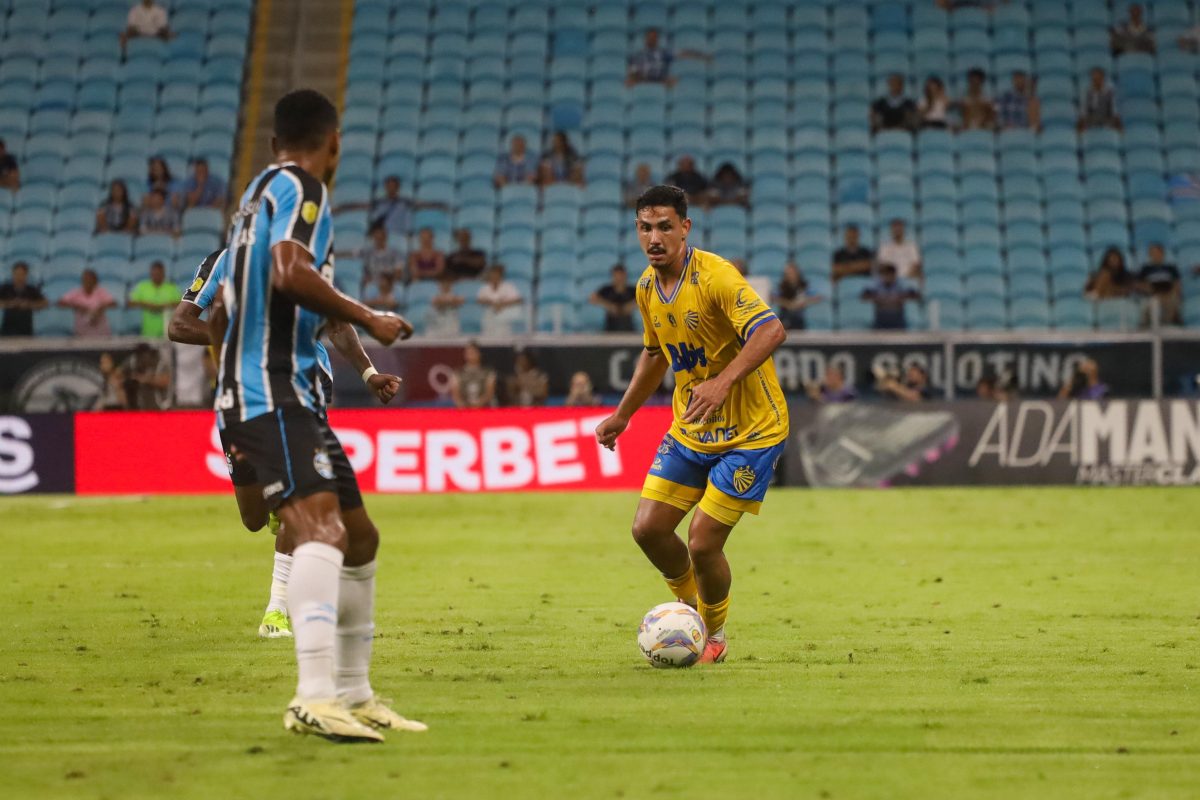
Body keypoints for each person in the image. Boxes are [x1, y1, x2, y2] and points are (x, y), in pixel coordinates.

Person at [210, 89, 420, 741]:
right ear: (334, 143)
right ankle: (314, 695)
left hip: (286, 389)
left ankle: (355, 694)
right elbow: (288, 272)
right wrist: (370, 318)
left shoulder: (255, 197)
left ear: (276, 142)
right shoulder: (304, 191)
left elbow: (221, 309)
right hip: (271, 391)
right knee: (319, 531)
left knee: (359, 537)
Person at [168, 246, 407, 643]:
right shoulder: (221, 261)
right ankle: (278, 500)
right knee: (253, 518)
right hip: (241, 395)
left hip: (304, 387)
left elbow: (338, 325)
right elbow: (179, 325)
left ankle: (276, 609)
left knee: (303, 495)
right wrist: (245, 340)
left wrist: (368, 373)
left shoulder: (302, 261)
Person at [594, 184, 789, 666]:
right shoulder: (645, 288)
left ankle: (715, 634)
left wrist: (722, 382)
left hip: (751, 432)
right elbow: (655, 353)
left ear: (686, 228)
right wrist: (623, 414)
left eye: (664, 226)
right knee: (648, 530)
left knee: (702, 542)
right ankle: (690, 611)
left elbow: (772, 329)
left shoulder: (717, 276)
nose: (654, 237)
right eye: (645, 227)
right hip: (692, 428)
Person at [626, 27, 710, 87]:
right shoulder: (638, 55)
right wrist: (635, 79)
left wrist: (702, 57)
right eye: (650, 37)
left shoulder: (663, 52)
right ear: (645, 39)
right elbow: (632, 72)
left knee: (674, 81)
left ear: (657, 39)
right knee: (629, 82)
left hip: (661, 81)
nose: (652, 39)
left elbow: (683, 54)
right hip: (643, 81)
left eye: (654, 37)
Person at [128, 260, 181, 338]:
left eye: (159, 274)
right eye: (154, 274)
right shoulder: (142, 286)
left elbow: (181, 304)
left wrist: (166, 306)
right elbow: (130, 303)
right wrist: (146, 304)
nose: (156, 276)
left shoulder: (172, 288)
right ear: (150, 274)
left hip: (167, 331)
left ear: (163, 274)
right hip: (147, 332)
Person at [58, 269, 117, 337]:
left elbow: (114, 303)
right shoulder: (76, 292)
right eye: (85, 279)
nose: (87, 281)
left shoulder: (101, 291)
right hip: (81, 327)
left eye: (90, 279)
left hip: (99, 326)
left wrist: (101, 307)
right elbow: (60, 303)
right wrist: (77, 306)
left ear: (95, 281)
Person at [861, 263, 921, 330]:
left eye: (890, 274)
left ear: (894, 275)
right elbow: (864, 296)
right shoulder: (876, 282)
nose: (888, 277)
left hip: (897, 317)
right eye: (886, 274)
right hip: (881, 317)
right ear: (882, 275)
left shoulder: (901, 282)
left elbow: (915, 295)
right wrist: (880, 298)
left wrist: (899, 297)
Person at [1136, 243, 1183, 326]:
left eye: (1157, 253)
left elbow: (1177, 285)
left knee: (1172, 300)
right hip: (1152, 294)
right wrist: (1152, 290)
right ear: (1150, 255)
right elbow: (1140, 285)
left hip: (1168, 294)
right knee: (1152, 302)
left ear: (1162, 253)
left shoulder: (1171, 268)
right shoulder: (1145, 269)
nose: (1155, 255)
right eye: (1153, 253)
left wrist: (1170, 293)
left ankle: (1168, 324)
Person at [0, 261, 48, 336]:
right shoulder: (5, 288)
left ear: (26, 275)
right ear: (12, 274)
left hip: (26, 329)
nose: (19, 277)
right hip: (7, 329)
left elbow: (45, 303)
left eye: (21, 274)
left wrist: (28, 304)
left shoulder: (32, 289)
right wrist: (9, 304)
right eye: (16, 274)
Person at [354, 222, 404, 292]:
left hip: (390, 285)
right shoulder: (367, 253)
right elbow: (352, 256)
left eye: (381, 237)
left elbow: (398, 273)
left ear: (385, 236)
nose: (379, 240)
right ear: (373, 237)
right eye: (376, 238)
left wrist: (387, 283)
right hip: (373, 285)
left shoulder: (395, 253)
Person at [476, 263, 524, 336]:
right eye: (492, 274)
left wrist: (503, 304)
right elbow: (479, 300)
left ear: (501, 275)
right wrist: (491, 303)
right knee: (488, 336)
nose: (494, 276)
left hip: (504, 317)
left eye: (496, 274)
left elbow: (519, 300)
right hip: (489, 317)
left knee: (504, 337)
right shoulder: (485, 288)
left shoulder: (508, 286)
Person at [120, 343, 172, 409]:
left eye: (144, 355)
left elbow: (165, 381)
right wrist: (129, 380)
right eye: (140, 356)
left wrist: (146, 380)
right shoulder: (133, 362)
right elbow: (118, 375)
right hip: (140, 408)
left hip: (159, 408)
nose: (142, 359)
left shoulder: (160, 364)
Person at [774, 263, 823, 330]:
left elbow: (818, 297)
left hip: (799, 318)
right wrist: (787, 304)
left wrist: (803, 302)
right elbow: (773, 297)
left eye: (792, 273)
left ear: (798, 274)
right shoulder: (781, 287)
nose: (790, 276)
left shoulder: (804, 286)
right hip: (784, 317)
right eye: (788, 273)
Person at [589, 264, 637, 332]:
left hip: (628, 328)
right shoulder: (606, 290)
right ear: (613, 276)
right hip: (610, 328)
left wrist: (630, 306)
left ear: (625, 276)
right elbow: (592, 298)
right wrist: (609, 306)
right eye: (616, 276)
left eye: (621, 276)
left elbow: (646, 299)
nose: (619, 278)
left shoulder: (632, 290)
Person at [450, 341, 496, 408]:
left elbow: (489, 393)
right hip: (464, 409)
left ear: (479, 353)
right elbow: (455, 395)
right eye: (468, 353)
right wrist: (462, 405)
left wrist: (478, 404)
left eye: (473, 352)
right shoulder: (458, 373)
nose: (471, 355)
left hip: (484, 409)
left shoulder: (488, 372)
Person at [876, 218, 923, 283]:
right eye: (895, 228)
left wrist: (905, 280)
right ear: (891, 230)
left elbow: (916, 266)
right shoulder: (884, 247)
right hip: (890, 281)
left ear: (903, 230)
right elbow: (882, 266)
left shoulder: (912, 247)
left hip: (908, 280)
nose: (897, 230)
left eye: (900, 228)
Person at [1078, 67, 1122, 132]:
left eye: (1099, 78)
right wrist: (1084, 121)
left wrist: (1114, 120)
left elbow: (1113, 110)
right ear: (1092, 79)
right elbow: (1083, 110)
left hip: (1106, 119)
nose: (1096, 81)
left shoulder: (1109, 92)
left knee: (1117, 123)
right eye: (1094, 79)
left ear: (1103, 79)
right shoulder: (1086, 92)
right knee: (1080, 124)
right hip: (1091, 119)